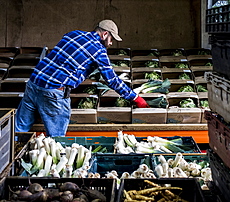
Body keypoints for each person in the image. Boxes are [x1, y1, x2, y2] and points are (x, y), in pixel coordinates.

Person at [15, 19, 149, 136]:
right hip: (54, 91)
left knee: (19, 130)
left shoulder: (74, 34)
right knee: (56, 139)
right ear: (105, 34)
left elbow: (64, 58)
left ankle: (8, 159)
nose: (111, 43)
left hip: (33, 83)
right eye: (111, 39)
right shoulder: (99, 51)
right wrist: (135, 98)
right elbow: (112, 80)